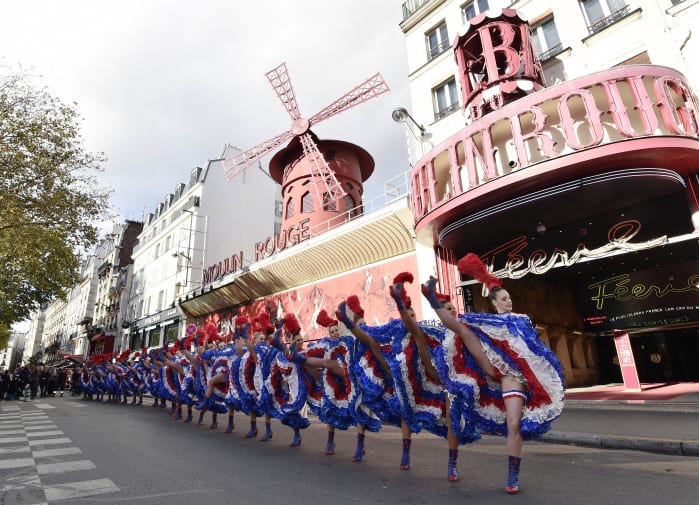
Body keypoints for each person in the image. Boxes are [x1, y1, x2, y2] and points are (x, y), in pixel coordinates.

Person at [422, 253, 564, 494]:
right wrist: (433, 298)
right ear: (495, 304)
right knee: (490, 423)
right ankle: (461, 464)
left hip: (524, 379)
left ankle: (512, 475)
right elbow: (453, 324)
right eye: (505, 299)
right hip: (500, 377)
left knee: (514, 424)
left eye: (510, 298)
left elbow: (536, 352)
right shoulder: (485, 326)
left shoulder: (522, 321)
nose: (509, 302)